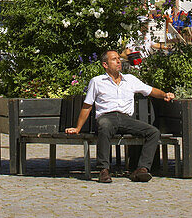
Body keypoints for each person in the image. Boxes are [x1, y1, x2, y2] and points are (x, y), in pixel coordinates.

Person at [66, 50, 175, 183]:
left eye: (119, 58)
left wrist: (164, 95)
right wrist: (78, 128)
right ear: (105, 64)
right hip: (106, 117)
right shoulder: (97, 81)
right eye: (114, 59)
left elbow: (150, 90)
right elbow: (87, 106)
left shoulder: (130, 79)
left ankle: (142, 169)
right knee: (104, 126)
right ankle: (104, 170)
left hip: (126, 119)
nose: (119, 61)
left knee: (153, 132)